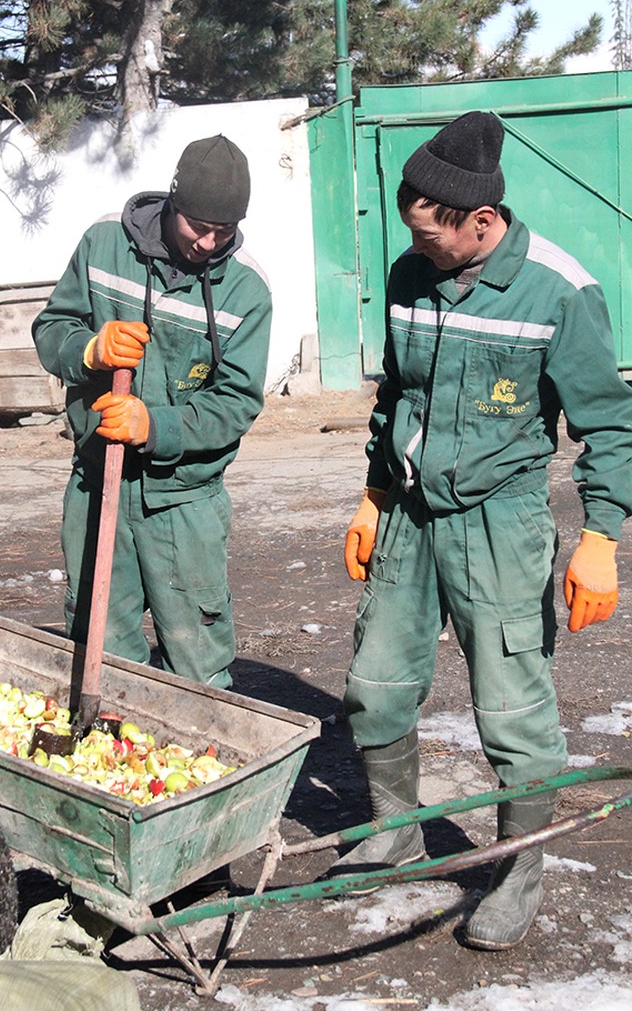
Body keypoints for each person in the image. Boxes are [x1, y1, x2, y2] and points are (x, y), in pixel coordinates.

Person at [336, 110, 632, 950]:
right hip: (409, 513)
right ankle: (395, 827)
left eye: (435, 240)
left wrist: (601, 536)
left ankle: (516, 870)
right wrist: (371, 493)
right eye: (415, 238)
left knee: (512, 712)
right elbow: (397, 392)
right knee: (377, 685)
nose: (420, 252)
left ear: (483, 222)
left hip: (500, 521)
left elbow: (610, 425)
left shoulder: (558, 291)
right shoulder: (409, 273)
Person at [32, 134, 272, 689]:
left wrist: (155, 425)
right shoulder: (103, 243)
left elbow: (237, 402)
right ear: (172, 202)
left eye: (225, 231)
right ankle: (109, 763)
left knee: (197, 661)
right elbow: (51, 329)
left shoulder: (246, 289)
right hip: (97, 482)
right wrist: (88, 350)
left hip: (184, 502)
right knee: (100, 648)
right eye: (198, 227)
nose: (209, 243)